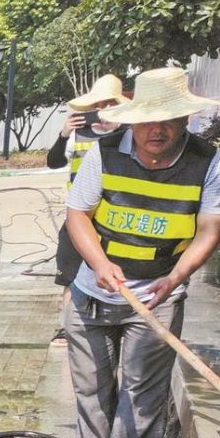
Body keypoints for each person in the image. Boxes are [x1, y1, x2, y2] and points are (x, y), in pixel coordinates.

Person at [48, 67, 220, 438]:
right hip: (95, 287)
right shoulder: (104, 152)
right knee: (91, 380)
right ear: (134, 119)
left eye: (169, 120)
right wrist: (99, 264)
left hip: (158, 289)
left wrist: (176, 276)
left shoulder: (208, 161)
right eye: (149, 119)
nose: (158, 130)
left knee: (141, 383)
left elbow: (209, 230)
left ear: (186, 120)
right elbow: (79, 215)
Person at [46, 75, 127, 292]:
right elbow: (53, 162)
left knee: (111, 277)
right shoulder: (79, 134)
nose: (102, 109)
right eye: (97, 105)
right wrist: (64, 134)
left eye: (109, 104)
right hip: (79, 214)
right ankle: (67, 325)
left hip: (114, 218)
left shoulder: (130, 134)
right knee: (69, 278)